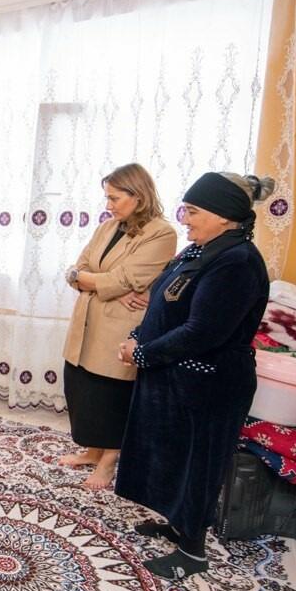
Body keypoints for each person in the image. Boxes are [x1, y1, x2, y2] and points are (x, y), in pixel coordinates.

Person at [115, 171, 275, 580]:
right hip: (177, 378)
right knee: (173, 455)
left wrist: (143, 353)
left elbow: (203, 332)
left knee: (199, 463)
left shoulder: (237, 262)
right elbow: (162, 304)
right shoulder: (200, 250)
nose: (184, 219)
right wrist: (138, 336)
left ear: (223, 216)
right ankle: (176, 522)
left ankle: (193, 552)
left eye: (193, 211)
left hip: (210, 384)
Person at [59, 164, 177, 489]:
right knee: (83, 389)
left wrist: (95, 281)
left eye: (114, 198)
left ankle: (108, 461)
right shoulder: (107, 227)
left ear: (138, 196)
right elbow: (75, 269)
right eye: (107, 198)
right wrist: (100, 283)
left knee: (111, 396)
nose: (108, 205)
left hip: (119, 327)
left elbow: (124, 279)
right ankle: (92, 451)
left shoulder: (161, 233)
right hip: (86, 322)